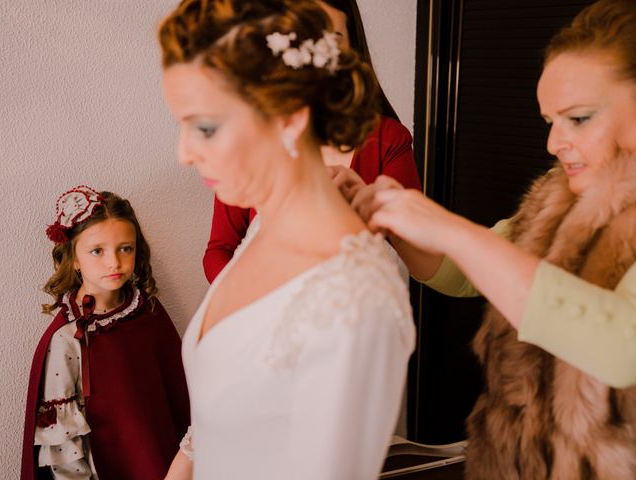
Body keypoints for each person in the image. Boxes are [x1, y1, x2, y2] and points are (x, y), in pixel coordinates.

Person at [344, 0, 636, 478]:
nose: (553, 143)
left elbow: (623, 349)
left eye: (578, 119)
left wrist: (449, 228)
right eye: (550, 122)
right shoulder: (555, 196)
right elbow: (463, 271)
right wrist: (388, 214)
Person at [158, 1, 416, 479]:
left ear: (291, 116)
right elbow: (214, 421)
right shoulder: (262, 228)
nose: (184, 154)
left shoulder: (354, 296)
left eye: (206, 127)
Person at [202, 0, 422, 283]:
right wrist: (256, 302)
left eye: (331, 40)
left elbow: (418, 256)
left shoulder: (388, 139)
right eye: (302, 39)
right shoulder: (249, 142)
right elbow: (219, 250)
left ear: (352, 50)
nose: (316, 57)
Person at [21, 186, 190, 480]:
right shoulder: (67, 338)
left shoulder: (148, 311)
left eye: (125, 248)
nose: (114, 262)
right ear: (73, 258)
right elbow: (63, 444)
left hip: (167, 464)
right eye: (97, 251)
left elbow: (179, 394)